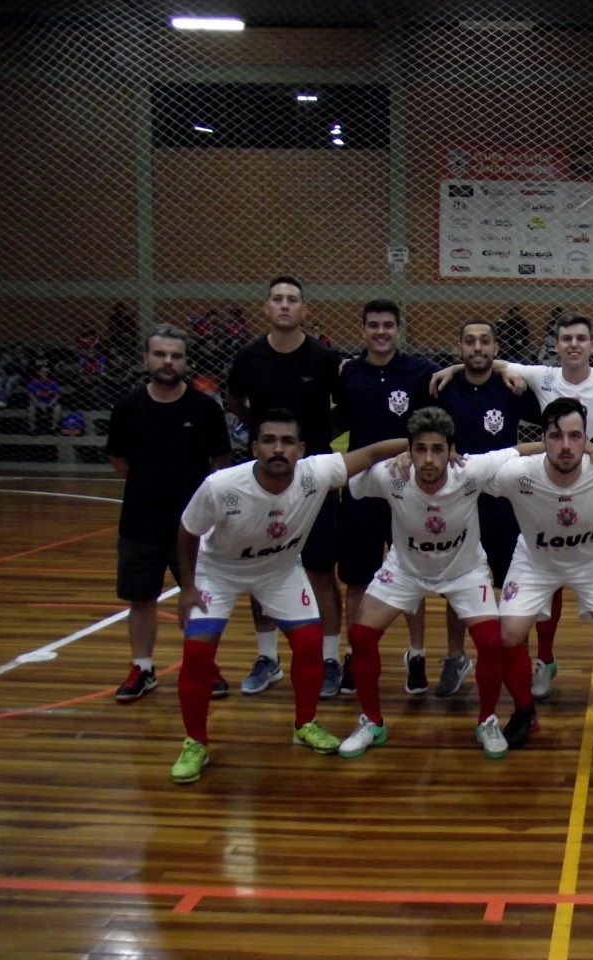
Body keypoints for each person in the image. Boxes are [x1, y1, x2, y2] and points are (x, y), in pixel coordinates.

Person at [432, 311, 593, 701]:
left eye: (581, 339)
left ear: (592, 345)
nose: (574, 345)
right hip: (550, 494)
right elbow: (491, 361)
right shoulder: (543, 377)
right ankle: (546, 660)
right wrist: (454, 369)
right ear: (555, 346)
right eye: (566, 339)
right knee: (548, 582)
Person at [169, 408, 407, 783]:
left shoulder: (316, 473)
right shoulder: (221, 485)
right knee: (197, 653)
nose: (277, 449)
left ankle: (304, 723)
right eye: (268, 441)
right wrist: (187, 588)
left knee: (309, 643)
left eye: (286, 441)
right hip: (218, 572)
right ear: (254, 447)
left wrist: (417, 448)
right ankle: (195, 741)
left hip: (279, 571)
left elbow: (375, 451)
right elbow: (187, 530)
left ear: (301, 448)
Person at [338, 408, 541, 761]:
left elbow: (519, 450)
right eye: (420, 449)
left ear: (452, 450)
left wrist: (578, 444)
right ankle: (372, 721)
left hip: (464, 571)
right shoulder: (390, 476)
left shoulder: (470, 471)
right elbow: (347, 476)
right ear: (409, 451)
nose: (428, 458)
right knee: (360, 637)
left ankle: (487, 719)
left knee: (491, 642)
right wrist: (389, 454)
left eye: (437, 449)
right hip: (405, 569)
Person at [483, 397, 593, 748]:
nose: (566, 445)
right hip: (536, 561)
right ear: (543, 439)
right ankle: (524, 712)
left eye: (574, 436)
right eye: (556, 436)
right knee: (508, 634)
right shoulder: (517, 472)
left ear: (587, 439)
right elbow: (468, 471)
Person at [225, 277, 343, 697]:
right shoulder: (249, 356)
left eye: (293, 300)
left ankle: (330, 659)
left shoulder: (325, 358)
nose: (285, 305)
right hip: (263, 479)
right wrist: (260, 433)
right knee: (262, 568)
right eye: (277, 299)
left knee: (320, 569)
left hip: (313, 477)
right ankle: (268, 658)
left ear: (304, 310)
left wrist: (311, 444)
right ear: (266, 307)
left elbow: (343, 409)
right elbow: (234, 399)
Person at [106, 324, 232, 702]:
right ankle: (142, 668)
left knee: (200, 596)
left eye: (175, 356)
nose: (168, 361)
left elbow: (221, 460)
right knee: (140, 598)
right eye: (160, 354)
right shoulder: (128, 407)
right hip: (140, 523)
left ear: (185, 361)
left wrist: (197, 504)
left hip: (192, 526)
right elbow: (117, 457)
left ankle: (203, 664)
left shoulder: (204, 408)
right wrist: (150, 487)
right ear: (147, 358)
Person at [332, 299, 442, 699]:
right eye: (373, 325)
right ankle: (354, 655)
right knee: (357, 577)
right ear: (362, 329)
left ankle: (416, 655)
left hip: (407, 491)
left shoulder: (419, 371)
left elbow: (455, 377)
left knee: (412, 575)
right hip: (361, 489)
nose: (381, 332)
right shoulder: (348, 375)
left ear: (399, 330)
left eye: (388, 325)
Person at [433, 318, 542, 696]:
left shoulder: (512, 387)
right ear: (459, 348)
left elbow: (552, 418)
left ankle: (518, 658)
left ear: (496, 350)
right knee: (457, 583)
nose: (477, 348)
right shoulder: (443, 388)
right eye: (469, 341)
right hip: (459, 504)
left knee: (512, 585)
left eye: (484, 342)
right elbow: (422, 430)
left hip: (505, 504)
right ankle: (455, 657)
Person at [26, 363, 61, 434]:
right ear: (38, 372)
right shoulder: (34, 382)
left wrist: (50, 404)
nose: (44, 373)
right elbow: (31, 395)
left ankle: (54, 428)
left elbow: (56, 395)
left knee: (58, 408)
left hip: (49, 402)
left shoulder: (52, 382)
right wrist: (39, 404)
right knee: (31, 408)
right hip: (37, 402)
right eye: (42, 372)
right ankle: (32, 428)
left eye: (46, 372)